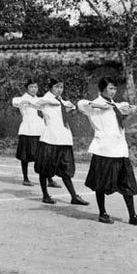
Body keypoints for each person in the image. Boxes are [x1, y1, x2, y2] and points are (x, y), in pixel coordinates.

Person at [79, 77, 137, 225]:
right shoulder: (95, 105)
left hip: (120, 149)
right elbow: (81, 104)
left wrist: (128, 110)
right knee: (100, 183)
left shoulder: (115, 104)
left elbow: (123, 109)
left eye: (115, 89)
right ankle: (102, 213)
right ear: (102, 89)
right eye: (110, 88)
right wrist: (98, 106)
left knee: (127, 183)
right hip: (104, 149)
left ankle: (132, 215)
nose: (113, 91)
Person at [33, 78, 89, 206]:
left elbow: (72, 107)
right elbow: (35, 102)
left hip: (63, 139)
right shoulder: (46, 100)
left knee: (65, 169)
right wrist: (49, 102)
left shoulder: (62, 101)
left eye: (61, 87)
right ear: (51, 88)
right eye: (57, 87)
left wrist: (69, 106)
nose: (59, 90)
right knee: (45, 168)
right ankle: (45, 195)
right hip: (50, 139)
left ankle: (74, 196)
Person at [11, 79, 44, 186]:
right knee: (25, 156)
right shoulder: (23, 99)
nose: (34, 89)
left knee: (43, 156)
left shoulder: (40, 99)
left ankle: (49, 179)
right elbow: (15, 101)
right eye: (31, 87)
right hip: (27, 131)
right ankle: (25, 178)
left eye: (35, 87)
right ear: (27, 88)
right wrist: (26, 102)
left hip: (40, 131)